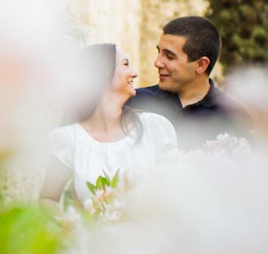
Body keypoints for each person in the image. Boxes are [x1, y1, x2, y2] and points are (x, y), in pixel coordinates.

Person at [40, 43, 177, 207]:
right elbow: (47, 199)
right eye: (125, 64)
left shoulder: (155, 127)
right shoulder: (69, 138)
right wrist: (75, 227)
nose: (134, 72)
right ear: (104, 74)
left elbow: (177, 193)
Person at [128, 16, 251, 148]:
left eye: (169, 56)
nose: (157, 63)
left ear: (201, 65)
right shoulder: (134, 102)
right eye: (159, 52)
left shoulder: (234, 118)